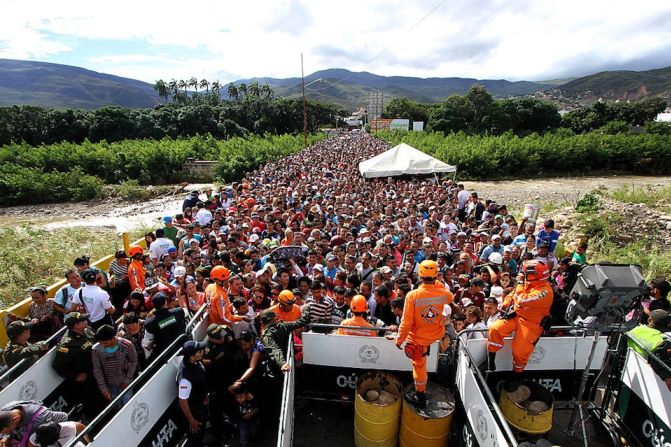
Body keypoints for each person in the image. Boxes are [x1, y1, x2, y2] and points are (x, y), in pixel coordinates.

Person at [396, 260, 454, 406]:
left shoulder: (412, 295)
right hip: (437, 333)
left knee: (419, 366)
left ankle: (420, 395)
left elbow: (406, 321)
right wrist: (437, 284)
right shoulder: (443, 293)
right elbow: (450, 298)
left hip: (419, 339)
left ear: (420, 275)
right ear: (436, 275)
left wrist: (400, 339)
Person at [487, 260, 553, 379]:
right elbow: (513, 294)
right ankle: (490, 361)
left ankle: (516, 375)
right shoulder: (529, 283)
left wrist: (519, 282)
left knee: (519, 351)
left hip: (531, 323)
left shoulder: (545, 292)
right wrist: (506, 304)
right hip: (516, 316)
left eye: (525, 273)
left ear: (533, 274)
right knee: (495, 329)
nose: (522, 274)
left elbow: (522, 300)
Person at [52, 312, 100, 418]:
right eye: (82, 320)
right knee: (91, 403)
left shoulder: (87, 330)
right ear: (76, 325)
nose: (86, 321)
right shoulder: (67, 344)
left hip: (97, 370)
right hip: (86, 378)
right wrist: (75, 376)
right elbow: (57, 365)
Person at [91, 325, 138, 406]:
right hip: (110, 384)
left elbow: (134, 361)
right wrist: (103, 389)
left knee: (129, 404)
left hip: (126, 381)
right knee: (118, 405)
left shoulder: (127, 344)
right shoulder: (95, 349)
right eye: (101, 342)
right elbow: (97, 369)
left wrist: (127, 380)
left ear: (114, 338)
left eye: (105, 342)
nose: (103, 345)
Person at [627, 309, 671, 390]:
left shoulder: (635, 330)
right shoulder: (662, 340)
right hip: (652, 376)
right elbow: (660, 361)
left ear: (649, 320)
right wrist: (667, 378)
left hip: (631, 370)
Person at [260, 305, 311, 372]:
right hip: (288, 358)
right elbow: (302, 321)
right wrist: (306, 308)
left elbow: (274, 349)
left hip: (278, 365)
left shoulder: (266, 335)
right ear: (273, 318)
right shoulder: (283, 325)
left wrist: (282, 363)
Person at [177, 341, 209, 447]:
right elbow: (183, 402)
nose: (202, 352)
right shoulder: (185, 380)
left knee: (201, 433)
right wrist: (191, 420)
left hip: (200, 405)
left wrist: (204, 396)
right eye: (199, 351)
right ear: (191, 356)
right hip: (193, 413)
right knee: (195, 438)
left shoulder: (194, 362)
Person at [0, 401, 68, 446]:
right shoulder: (6, 409)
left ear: (15, 419)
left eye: (7, 431)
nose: (6, 433)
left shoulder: (43, 416)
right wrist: (6, 437)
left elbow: (64, 417)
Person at [142, 292, 187, 361]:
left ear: (154, 306)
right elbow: (186, 311)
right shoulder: (178, 311)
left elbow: (146, 343)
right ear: (165, 302)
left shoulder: (150, 324)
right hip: (184, 348)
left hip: (168, 358)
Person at [234, 383, 260, 447]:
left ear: (247, 395)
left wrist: (250, 414)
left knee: (253, 432)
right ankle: (243, 444)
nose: (239, 399)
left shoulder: (252, 400)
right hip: (242, 422)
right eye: (237, 397)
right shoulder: (237, 400)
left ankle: (253, 440)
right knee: (243, 435)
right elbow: (230, 389)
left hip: (253, 421)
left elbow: (258, 408)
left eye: (241, 397)